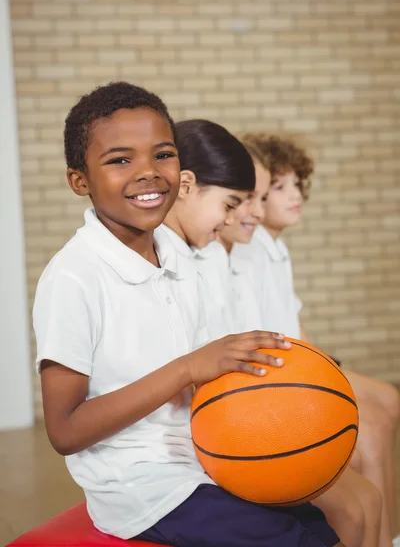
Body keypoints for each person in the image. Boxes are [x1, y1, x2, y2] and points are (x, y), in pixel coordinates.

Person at [33, 84, 342, 547]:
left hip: (206, 457)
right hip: (142, 486)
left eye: (163, 155)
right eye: (120, 160)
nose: (149, 174)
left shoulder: (179, 261)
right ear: (79, 181)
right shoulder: (74, 277)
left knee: (322, 525)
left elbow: (205, 382)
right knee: (288, 540)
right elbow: (65, 429)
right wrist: (188, 368)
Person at [233, 132, 399, 547]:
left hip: (299, 362)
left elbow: (296, 326)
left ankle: (391, 533)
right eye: (279, 187)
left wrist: (329, 371)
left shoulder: (275, 249)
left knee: (389, 400)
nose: (295, 196)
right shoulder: (247, 252)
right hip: (282, 376)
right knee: (373, 425)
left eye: (296, 185)